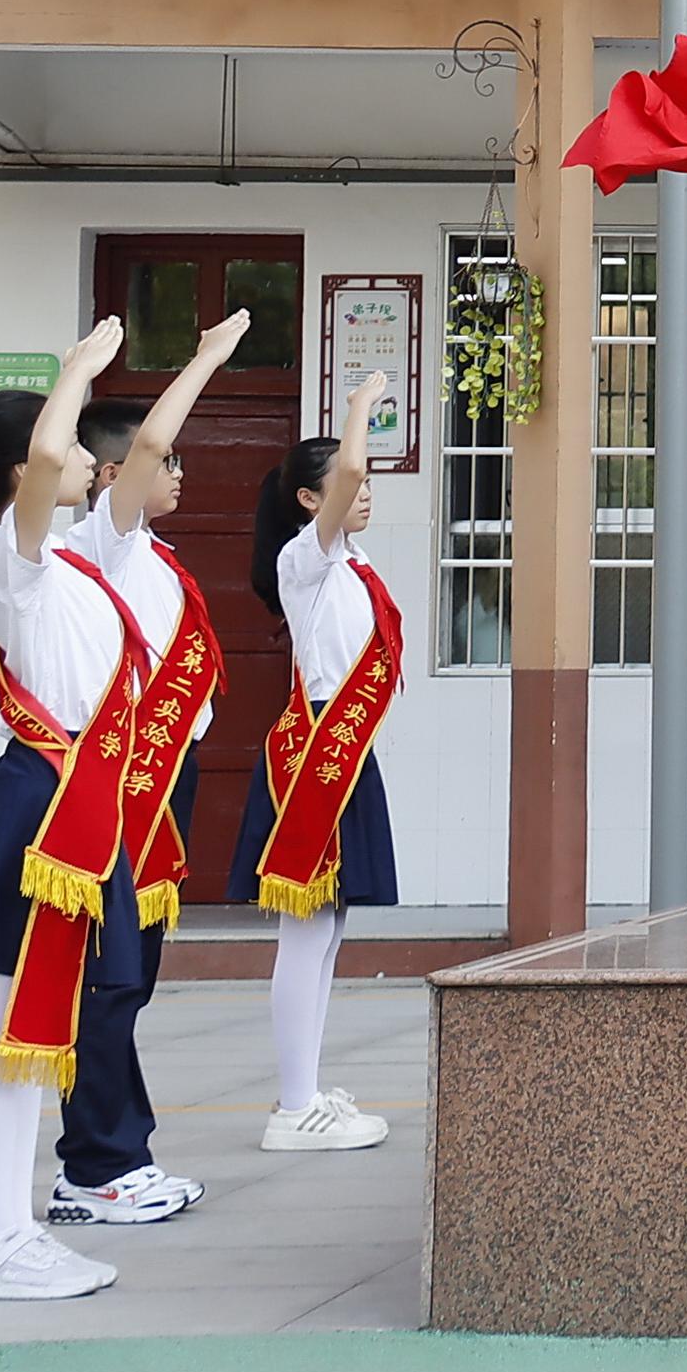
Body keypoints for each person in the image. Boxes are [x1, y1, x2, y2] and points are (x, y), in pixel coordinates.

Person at [0, 317, 142, 1300]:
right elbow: (51, 451)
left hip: (60, 807)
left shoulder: (76, 558)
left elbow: (120, 464)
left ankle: (6, 1234)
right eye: (82, 444)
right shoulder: (17, 555)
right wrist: (77, 370)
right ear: (20, 475)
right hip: (34, 811)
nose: (93, 458)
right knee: (6, 1032)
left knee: (29, 1037)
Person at [47, 312, 252, 1227]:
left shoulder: (150, 554)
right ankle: (97, 1164)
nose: (176, 471)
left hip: (166, 779)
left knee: (132, 974)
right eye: (164, 463)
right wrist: (205, 359)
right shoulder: (108, 538)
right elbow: (155, 439)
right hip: (125, 782)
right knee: (113, 975)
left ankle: (115, 1153)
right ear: (116, 472)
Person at [235, 371, 404, 1152]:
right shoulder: (307, 558)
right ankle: (293, 1105)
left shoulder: (349, 563)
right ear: (310, 500)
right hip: (313, 762)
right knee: (305, 935)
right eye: (339, 482)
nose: (360, 489)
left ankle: (303, 1091)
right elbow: (356, 473)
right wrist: (360, 410)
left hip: (343, 756)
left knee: (328, 933)